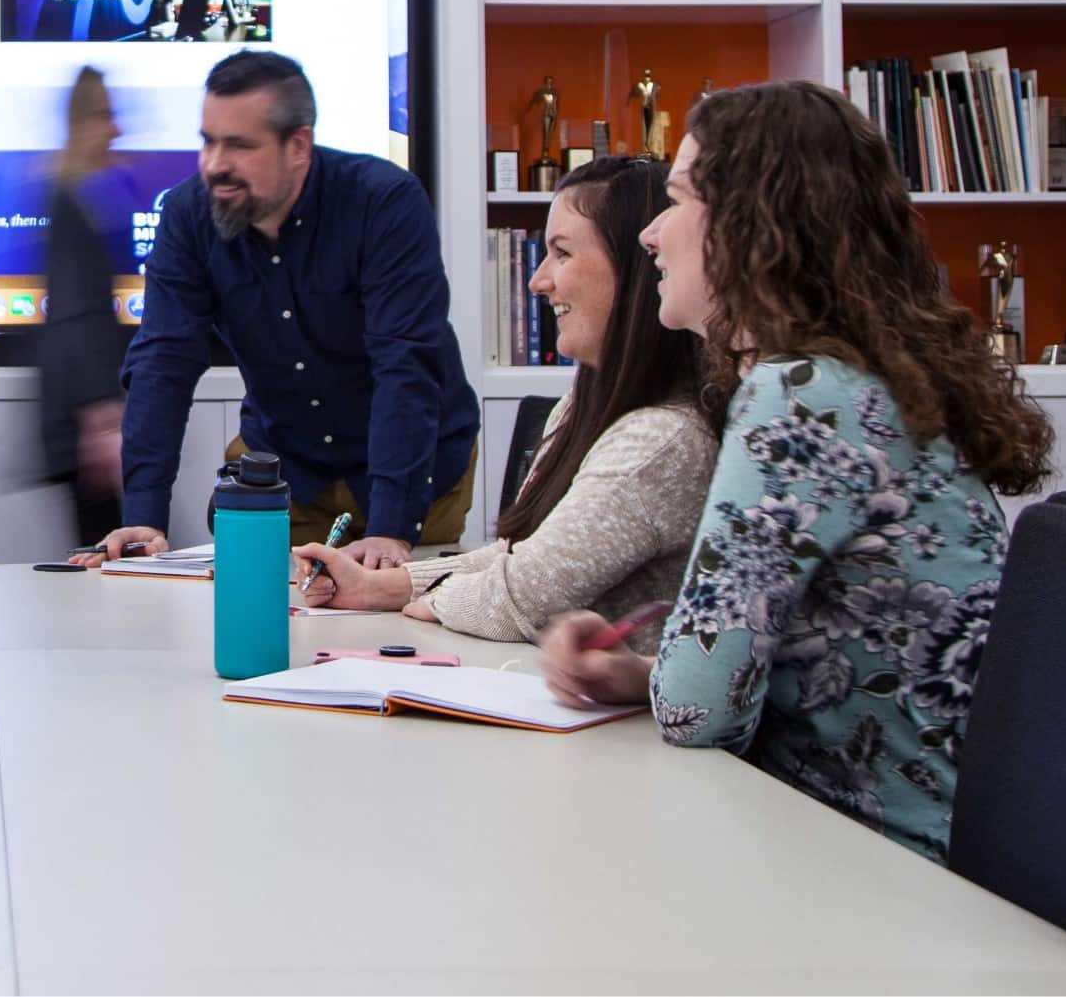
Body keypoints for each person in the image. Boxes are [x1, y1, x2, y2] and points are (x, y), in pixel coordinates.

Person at [541, 81, 1056, 864]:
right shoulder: (858, 382)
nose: (650, 232)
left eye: (676, 198)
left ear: (749, 226)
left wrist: (663, 676)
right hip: (902, 842)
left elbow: (695, 708)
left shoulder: (799, 397)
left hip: (876, 864)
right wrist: (640, 673)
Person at [73, 50, 479, 568]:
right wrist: (146, 516)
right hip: (288, 470)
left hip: (412, 468)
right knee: (277, 620)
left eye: (239, 145)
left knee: (396, 626)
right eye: (208, 141)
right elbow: (163, 363)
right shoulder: (187, 214)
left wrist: (391, 532)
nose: (216, 164)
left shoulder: (383, 202)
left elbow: (405, 365)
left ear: (298, 146)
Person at [295, 156, 715, 647]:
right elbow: (518, 554)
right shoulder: (581, 404)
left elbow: (519, 597)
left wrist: (425, 600)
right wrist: (378, 586)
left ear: (634, 268)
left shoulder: (659, 441)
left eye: (562, 254)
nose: (538, 280)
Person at [38, 68, 131, 547]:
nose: (117, 128)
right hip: (84, 420)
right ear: (84, 120)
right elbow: (79, 311)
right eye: (106, 114)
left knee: (109, 551)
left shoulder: (81, 192)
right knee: (114, 554)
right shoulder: (71, 198)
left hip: (81, 415)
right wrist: (102, 418)